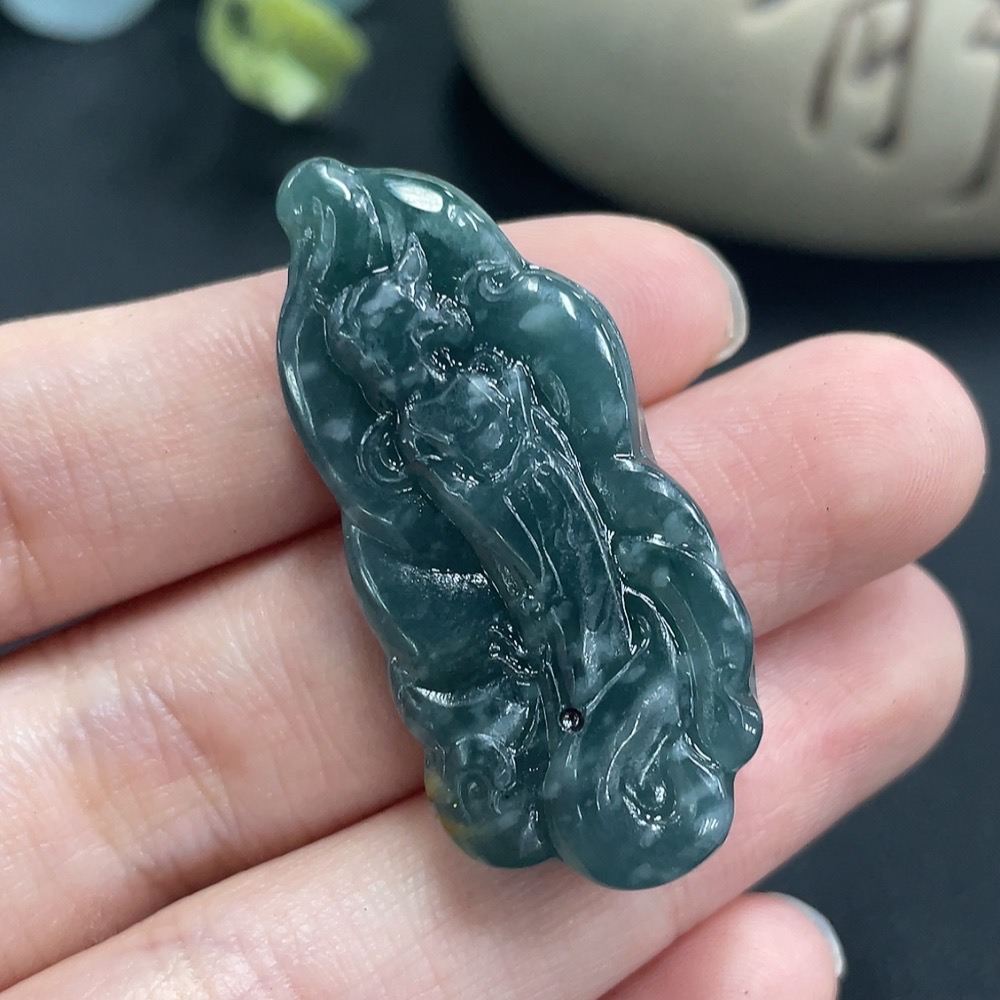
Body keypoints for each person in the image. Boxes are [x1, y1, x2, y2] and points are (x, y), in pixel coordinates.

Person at [0, 214, 983, 998]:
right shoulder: (416, 431)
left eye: (415, 317)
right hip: (527, 573)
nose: (421, 331)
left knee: (597, 621)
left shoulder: (489, 379)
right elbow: (440, 525)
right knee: (571, 632)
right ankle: (602, 721)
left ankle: (620, 712)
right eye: (397, 333)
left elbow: (585, 470)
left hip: (576, 549)